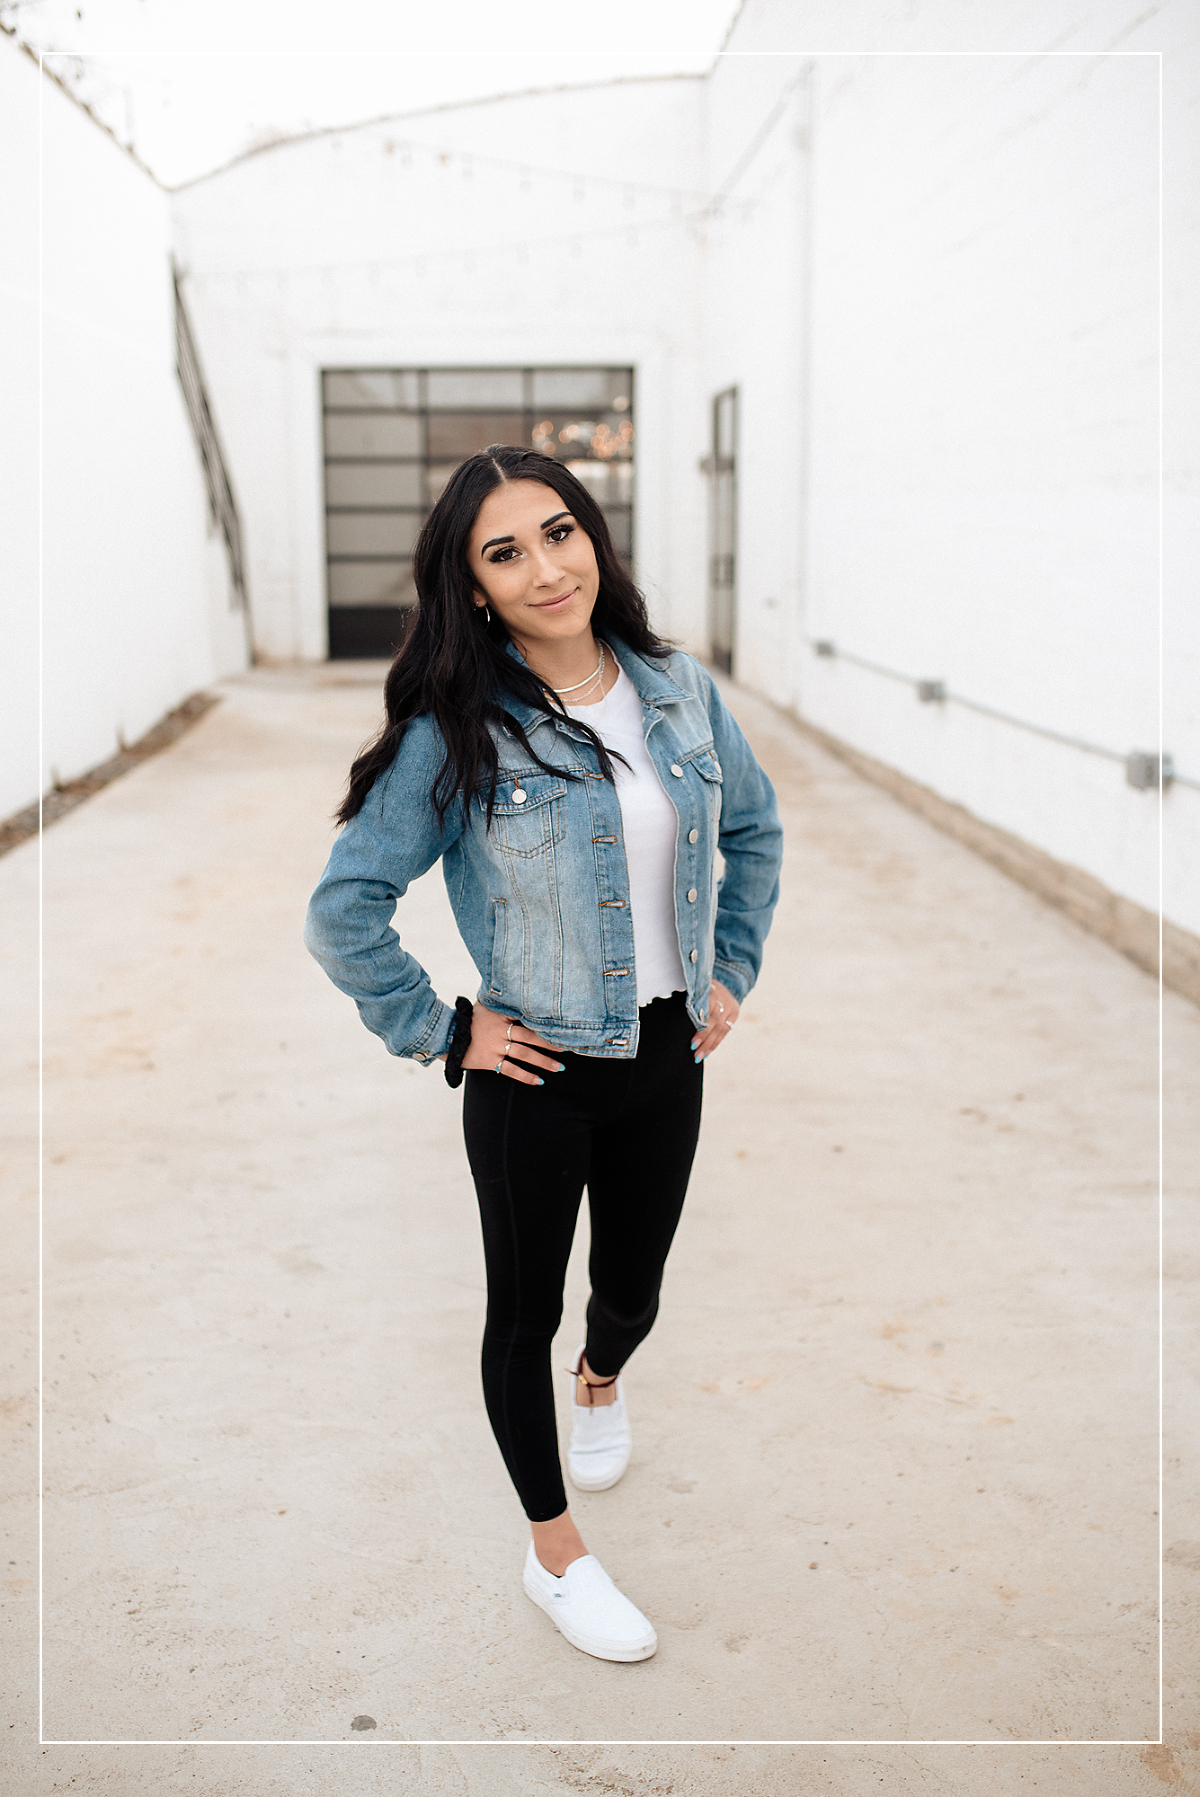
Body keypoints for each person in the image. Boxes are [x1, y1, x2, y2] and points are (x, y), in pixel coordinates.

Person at [305, 445, 782, 1663]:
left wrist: (730, 967)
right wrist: (444, 1028)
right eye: (503, 552)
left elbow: (756, 827)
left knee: (631, 1293)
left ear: (594, 541)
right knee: (521, 1311)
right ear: (472, 590)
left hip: (670, 1055)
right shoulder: (453, 730)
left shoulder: (678, 688)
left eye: (558, 533)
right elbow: (344, 909)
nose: (544, 567)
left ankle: (606, 1378)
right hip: (536, 1078)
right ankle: (555, 1554)